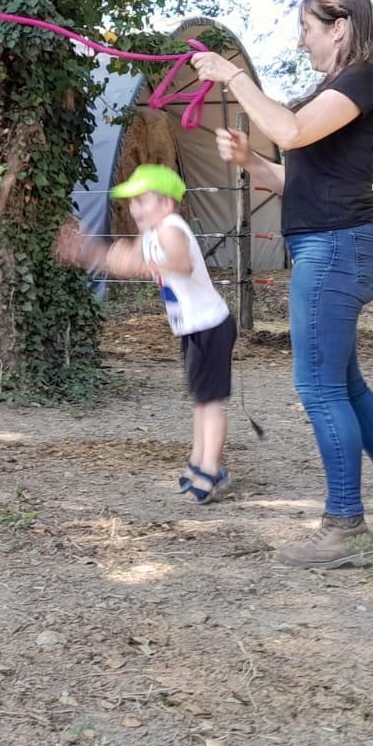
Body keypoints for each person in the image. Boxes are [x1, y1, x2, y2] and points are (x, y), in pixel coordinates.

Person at [189, 0, 373, 567]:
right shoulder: (330, 90)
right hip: (330, 245)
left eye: (306, 27)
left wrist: (233, 76)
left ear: (339, 26)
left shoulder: (366, 79)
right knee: (346, 386)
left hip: (338, 247)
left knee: (319, 387)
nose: (300, 40)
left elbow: (292, 132)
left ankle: (344, 527)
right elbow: (292, 177)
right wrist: (249, 161)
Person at [55, 164, 237, 503]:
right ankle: (199, 463)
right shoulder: (152, 233)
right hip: (193, 327)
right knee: (200, 400)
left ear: (167, 204)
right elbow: (120, 260)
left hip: (211, 325)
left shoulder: (170, 228)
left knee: (210, 403)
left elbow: (181, 264)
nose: (134, 208)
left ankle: (210, 469)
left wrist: (146, 264)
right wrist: (85, 252)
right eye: (131, 202)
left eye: (142, 200)